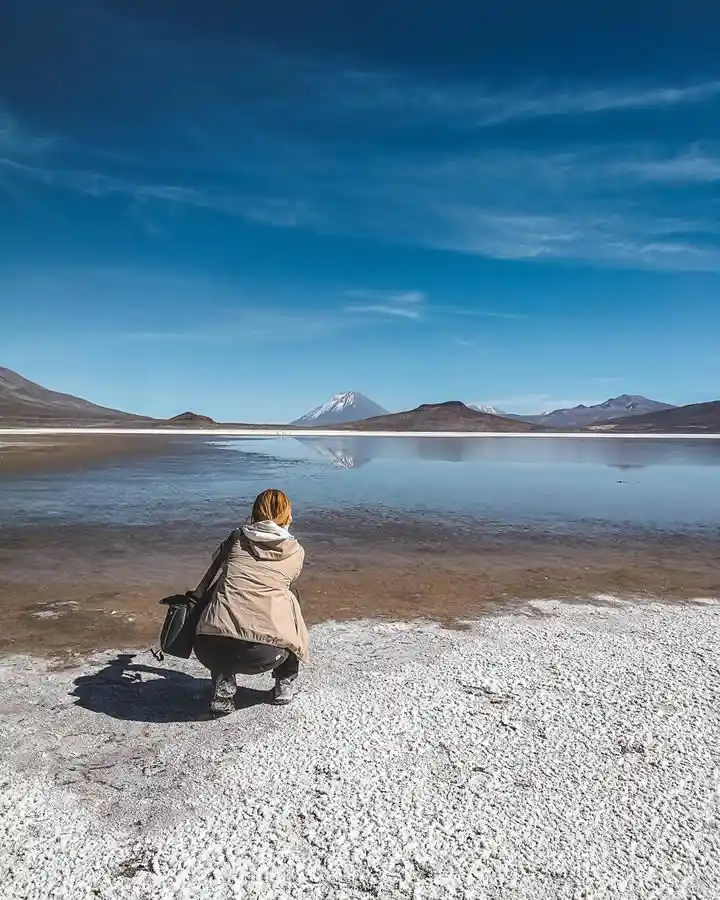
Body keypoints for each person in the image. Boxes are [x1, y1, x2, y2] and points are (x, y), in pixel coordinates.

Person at [194, 488, 308, 716]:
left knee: (224, 600)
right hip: (263, 656)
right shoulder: (295, 551)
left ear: (254, 511)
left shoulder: (236, 538)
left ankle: (223, 688)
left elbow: (218, 562)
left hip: (209, 650)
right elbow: (287, 579)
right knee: (291, 599)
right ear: (287, 515)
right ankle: (284, 682)